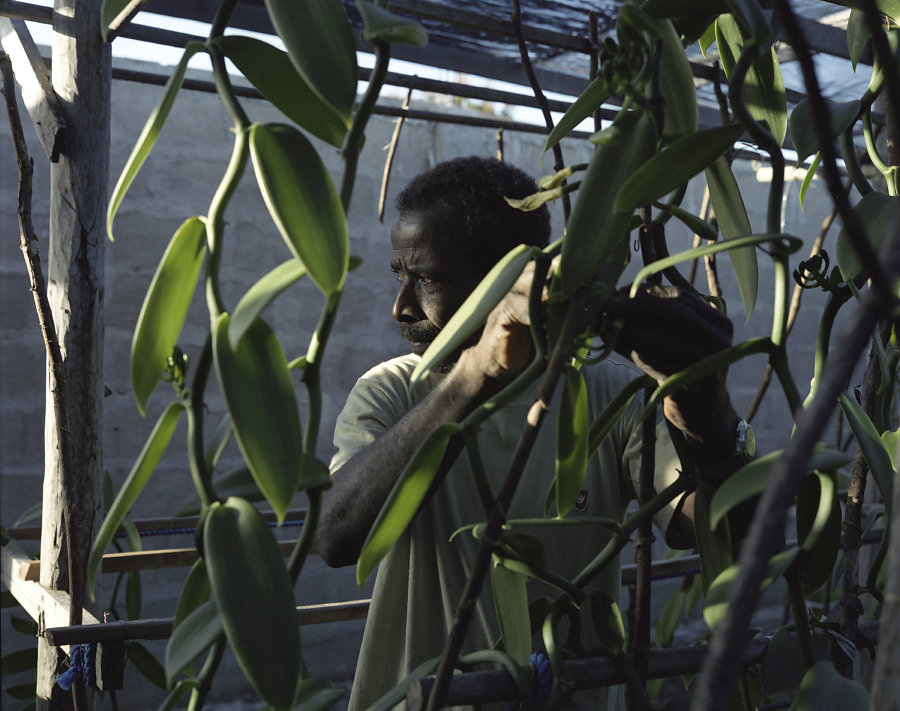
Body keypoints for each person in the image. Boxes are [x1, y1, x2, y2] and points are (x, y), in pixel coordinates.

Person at [317, 156, 750, 710]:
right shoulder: (393, 392)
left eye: (426, 279)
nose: (401, 305)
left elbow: (707, 528)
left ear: (509, 276)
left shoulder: (611, 398)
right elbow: (335, 537)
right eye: (399, 275)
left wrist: (705, 411)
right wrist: (476, 373)